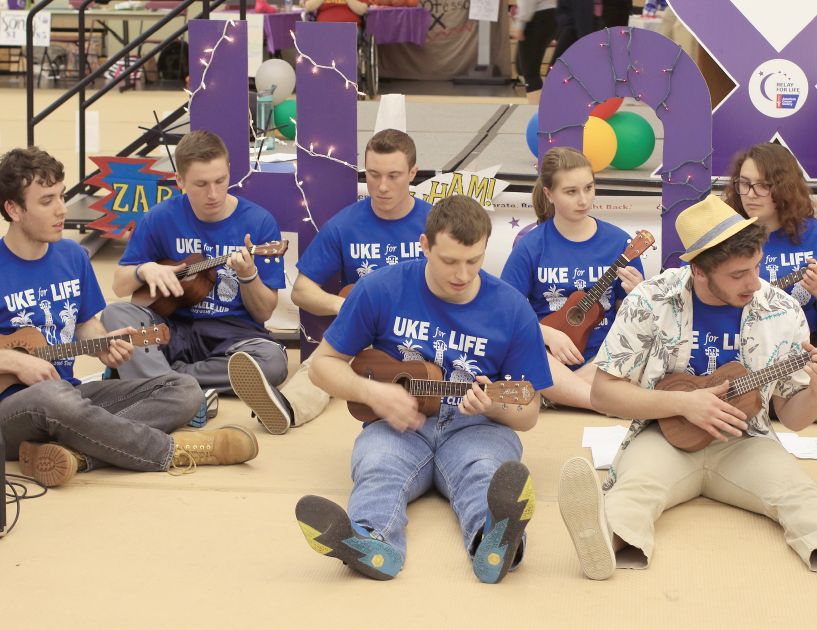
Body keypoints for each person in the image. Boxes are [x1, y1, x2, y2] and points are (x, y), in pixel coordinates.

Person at [294, 195, 552, 584]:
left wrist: (492, 406)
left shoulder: (513, 308)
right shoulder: (380, 288)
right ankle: (370, 542)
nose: (462, 274)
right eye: (449, 261)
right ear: (425, 246)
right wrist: (372, 393)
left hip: (477, 428)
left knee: (486, 471)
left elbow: (528, 413)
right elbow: (321, 366)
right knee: (377, 467)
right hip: (397, 425)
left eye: (474, 260)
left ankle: (494, 542)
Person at [558, 195, 817, 580]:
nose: (754, 283)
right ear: (699, 271)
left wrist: (815, 390)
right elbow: (603, 392)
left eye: (757, 266)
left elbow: (794, 419)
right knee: (632, 494)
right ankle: (605, 544)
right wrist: (683, 404)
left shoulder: (783, 309)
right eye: (738, 275)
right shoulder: (650, 299)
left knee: (802, 496)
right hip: (665, 435)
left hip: (745, 440)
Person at [0, 147, 258, 486]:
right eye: (47, 201)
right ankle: (175, 450)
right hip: (14, 410)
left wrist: (101, 343)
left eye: (62, 196)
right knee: (53, 397)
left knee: (185, 390)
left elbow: (84, 323)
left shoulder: (73, 255)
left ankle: (78, 453)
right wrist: (15, 361)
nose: (62, 209)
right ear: (13, 209)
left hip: (70, 396)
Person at [101, 130, 289, 430]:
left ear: (229, 171)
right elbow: (119, 286)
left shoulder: (259, 221)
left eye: (221, 181)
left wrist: (248, 275)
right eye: (201, 184)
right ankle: (172, 384)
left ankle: (164, 381)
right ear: (179, 181)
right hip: (172, 329)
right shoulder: (160, 217)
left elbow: (264, 312)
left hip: (233, 334)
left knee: (272, 362)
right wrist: (144, 270)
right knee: (115, 314)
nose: (213, 194)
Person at [260, 129, 432, 435]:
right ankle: (284, 407)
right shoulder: (345, 224)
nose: (382, 186)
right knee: (322, 362)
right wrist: (346, 305)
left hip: (421, 331)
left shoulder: (434, 223)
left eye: (393, 176)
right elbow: (301, 291)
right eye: (373, 175)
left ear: (412, 173)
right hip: (366, 331)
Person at [501, 146, 643, 411]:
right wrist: (548, 335)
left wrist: (637, 297)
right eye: (571, 192)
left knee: (638, 350)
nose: (584, 200)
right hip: (549, 357)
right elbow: (505, 315)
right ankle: (604, 401)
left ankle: (562, 393)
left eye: (589, 188)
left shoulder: (621, 243)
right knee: (525, 354)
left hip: (603, 358)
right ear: (549, 194)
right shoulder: (531, 246)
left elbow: (632, 323)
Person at [722, 142, 817, 344]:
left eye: (764, 185)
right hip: (732, 346)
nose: (750, 194)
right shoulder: (719, 233)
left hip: (803, 347)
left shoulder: (813, 234)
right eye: (745, 183)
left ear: (786, 188)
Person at [511, 0, 558, 105]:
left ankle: (539, 111)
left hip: (538, 16)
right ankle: (544, 101)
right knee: (521, 68)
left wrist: (519, 23)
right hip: (551, 14)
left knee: (530, 73)